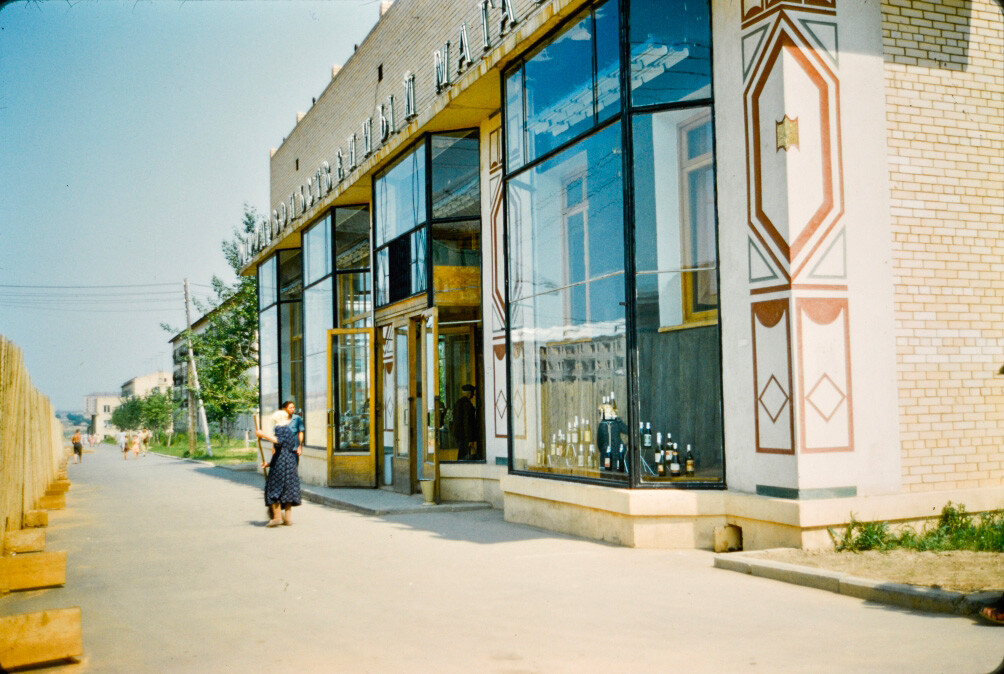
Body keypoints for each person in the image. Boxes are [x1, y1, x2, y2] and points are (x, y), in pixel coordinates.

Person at [256, 400, 304, 527]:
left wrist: (263, 435)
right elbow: (283, 449)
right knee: (288, 490)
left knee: (274, 488)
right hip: (290, 462)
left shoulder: (280, 429)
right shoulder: (288, 430)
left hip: (281, 464)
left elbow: (279, 441)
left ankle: (277, 517)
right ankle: (287, 519)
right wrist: (269, 464)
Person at [450, 384, 478, 461]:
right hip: (465, 435)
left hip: (460, 434)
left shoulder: (458, 403)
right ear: (469, 393)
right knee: (464, 455)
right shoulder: (467, 405)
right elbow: (467, 422)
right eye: (472, 393)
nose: (473, 396)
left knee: (461, 453)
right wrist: (470, 439)